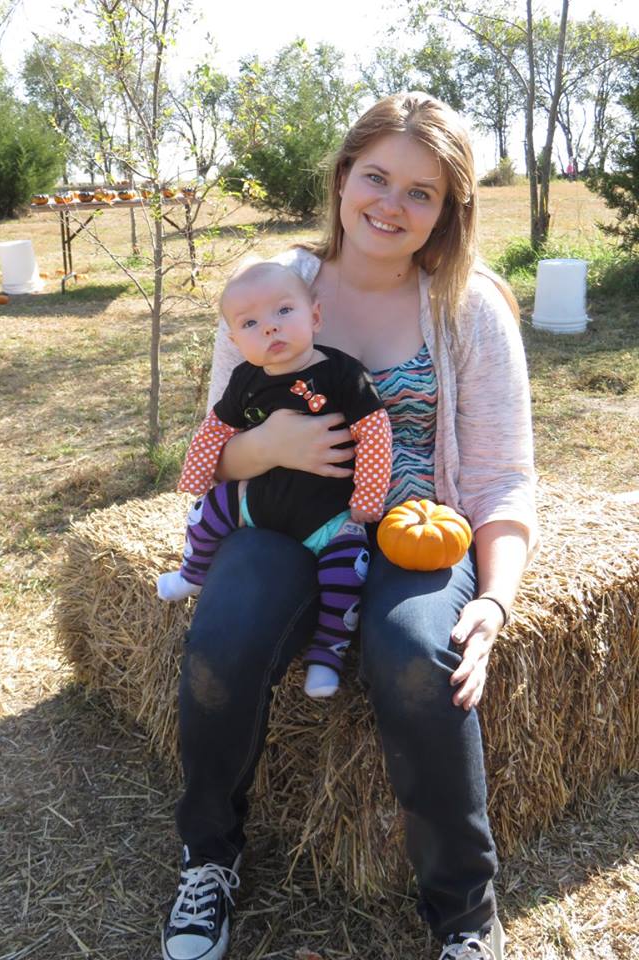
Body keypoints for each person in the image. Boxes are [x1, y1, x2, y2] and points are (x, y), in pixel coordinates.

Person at [161, 91, 536, 960]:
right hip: (286, 518)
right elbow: (214, 445)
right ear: (341, 179)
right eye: (377, 177)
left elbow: (503, 477)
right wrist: (271, 445)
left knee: (418, 660)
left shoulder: (469, 308)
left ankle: (466, 918)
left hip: (412, 527)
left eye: (422, 192)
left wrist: (495, 600)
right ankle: (207, 859)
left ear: (448, 211)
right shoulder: (271, 288)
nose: (391, 205)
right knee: (223, 632)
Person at [157, 260, 392, 698]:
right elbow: (216, 428)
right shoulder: (245, 379)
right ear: (235, 340)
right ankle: (193, 572)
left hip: (328, 515)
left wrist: (369, 499)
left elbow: (375, 432)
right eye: (250, 323)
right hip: (260, 505)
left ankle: (326, 657)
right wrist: (195, 475)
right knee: (206, 512)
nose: (270, 328)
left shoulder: (343, 374)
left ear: (315, 317)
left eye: (284, 311)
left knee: (346, 576)